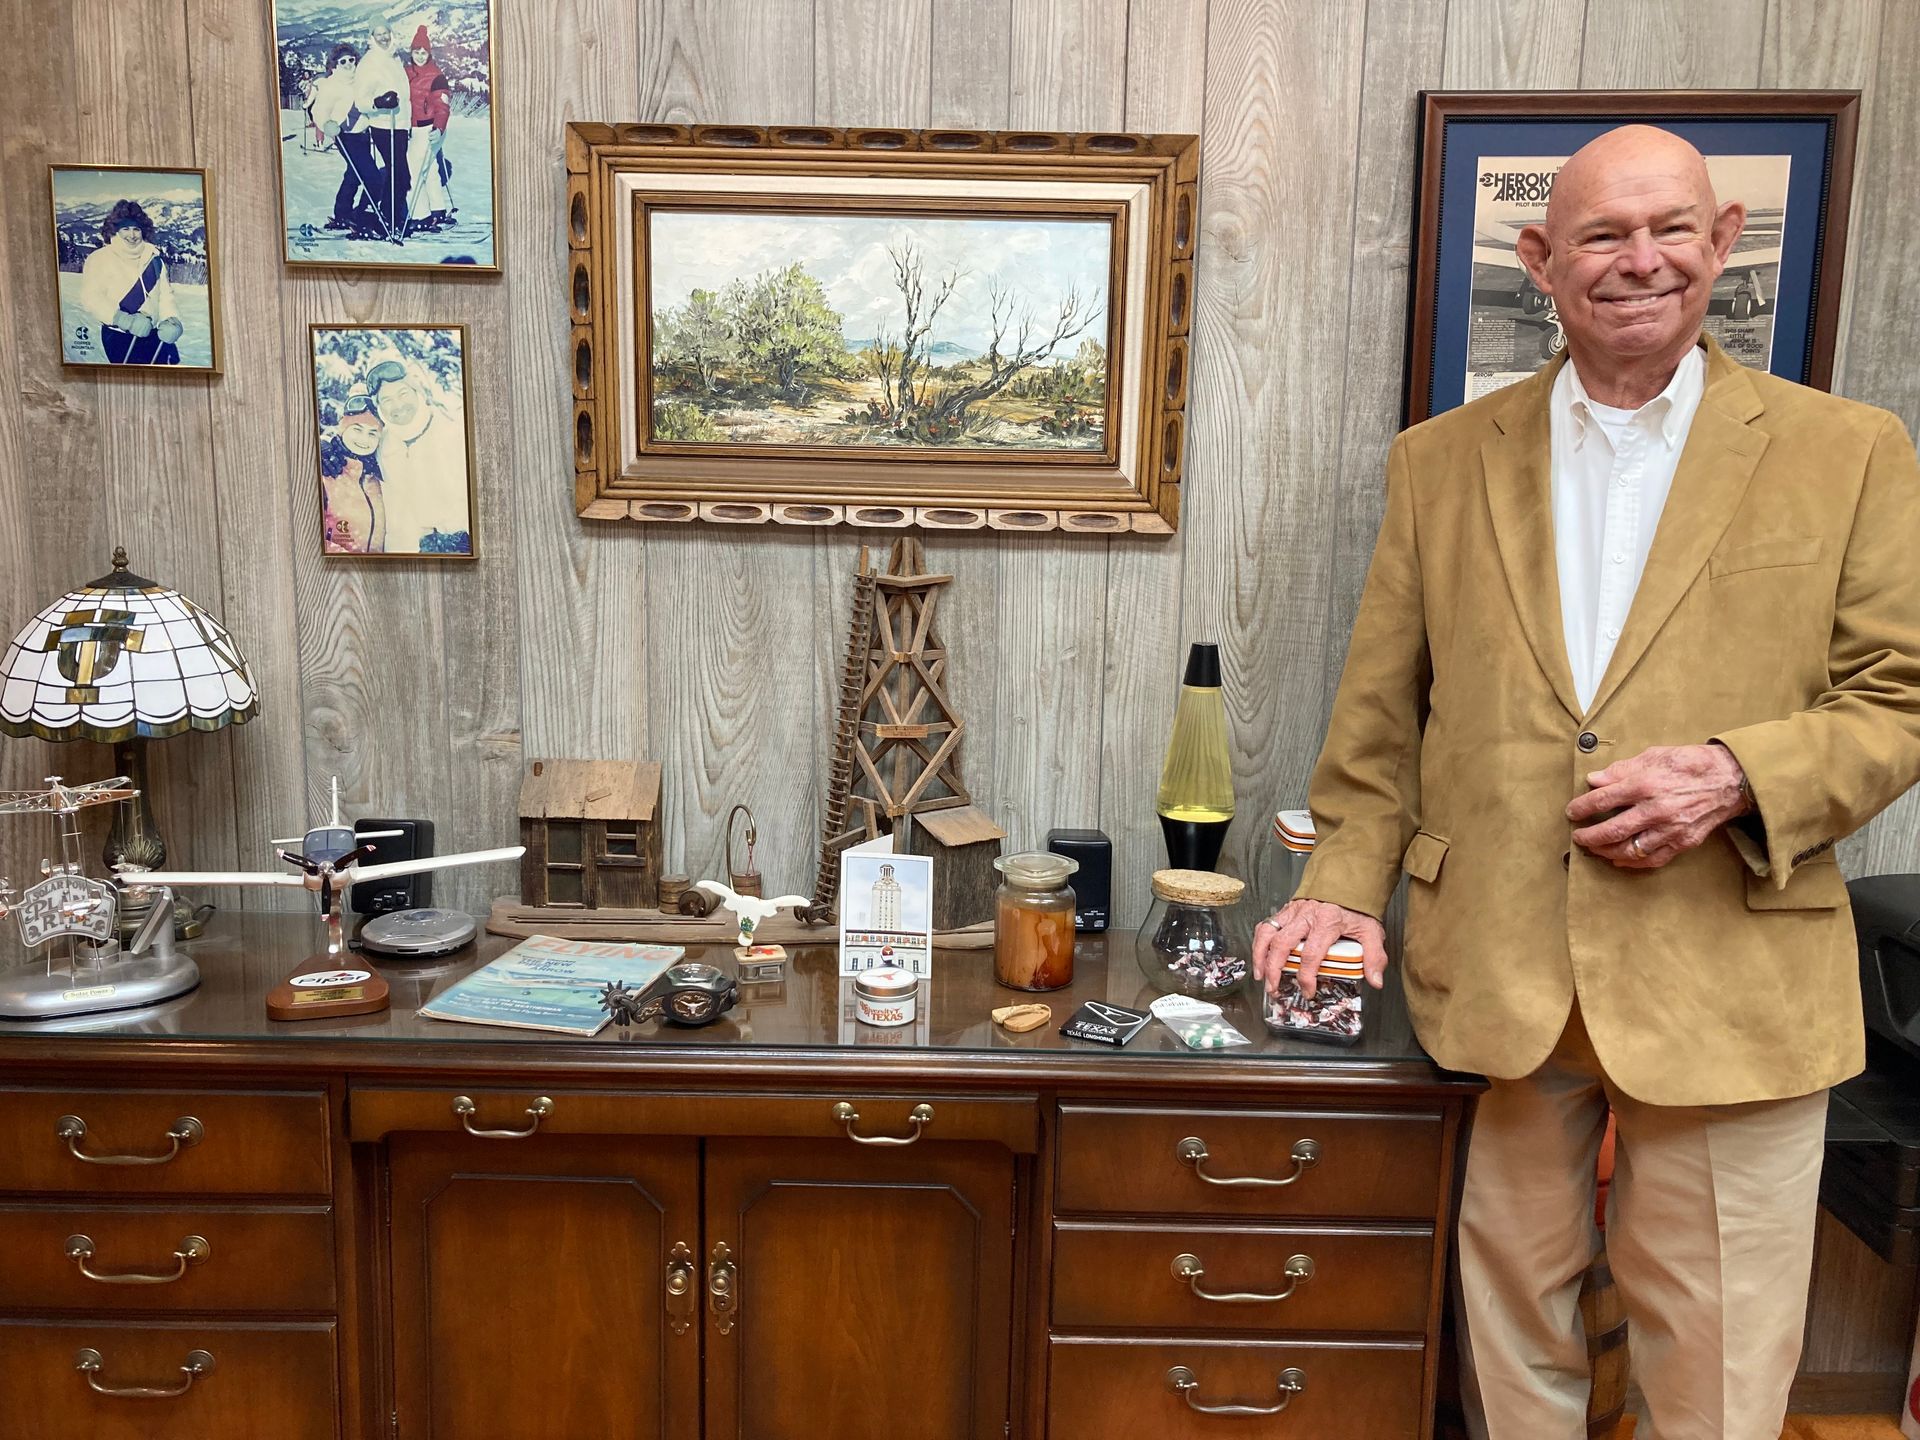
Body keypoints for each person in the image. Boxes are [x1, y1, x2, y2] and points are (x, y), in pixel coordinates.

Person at [1253, 124, 1920, 1440]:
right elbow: (1382, 720)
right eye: (1604, 236)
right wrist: (1338, 887)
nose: (1642, 260)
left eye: (1671, 227)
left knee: (1716, 1368)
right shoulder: (1439, 461)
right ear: (1542, 261)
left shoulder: (1847, 450)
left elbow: (1896, 699)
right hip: (1496, 964)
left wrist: (1738, 775)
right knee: (1512, 1343)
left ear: (1724, 242)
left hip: (1730, 970)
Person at [368, 358, 467, 551]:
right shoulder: (381, 444)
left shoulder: (453, 431)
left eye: (403, 393)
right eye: (387, 400)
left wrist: (460, 537)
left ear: (416, 391)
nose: (397, 405)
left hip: (455, 548)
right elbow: (353, 456)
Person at [77, 199, 183, 365]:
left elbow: (165, 297)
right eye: (125, 228)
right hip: (120, 336)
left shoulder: (154, 260)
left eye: (136, 229)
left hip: (154, 335)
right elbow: (91, 297)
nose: (132, 235)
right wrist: (124, 320)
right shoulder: (100, 258)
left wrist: (171, 319)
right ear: (115, 230)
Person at [350, 21, 411, 237]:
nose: (383, 37)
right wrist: (379, 102)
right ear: (371, 37)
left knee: (399, 173)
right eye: (378, 34)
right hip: (384, 125)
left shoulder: (394, 58)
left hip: (401, 124)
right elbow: (361, 101)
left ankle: (388, 216)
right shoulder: (369, 63)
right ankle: (386, 218)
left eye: (386, 32)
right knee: (399, 173)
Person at [307, 44, 372, 234]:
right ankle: (361, 212)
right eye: (343, 61)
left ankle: (342, 213)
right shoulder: (331, 84)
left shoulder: (360, 80)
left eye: (351, 59)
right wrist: (327, 124)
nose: (348, 64)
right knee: (369, 175)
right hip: (345, 136)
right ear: (335, 64)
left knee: (353, 173)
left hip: (363, 134)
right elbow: (319, 110)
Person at [403, 25, 453, 234]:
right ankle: (437, 209)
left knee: (412, 171)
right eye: (417, 52)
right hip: (415, 129)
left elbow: (443, 106)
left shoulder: (436, 76)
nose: (421, 56)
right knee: (430, 170)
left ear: (429, 53)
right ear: (411, 52)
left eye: (424, 53)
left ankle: (421, 215)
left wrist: (439, 129)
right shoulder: (406, 72)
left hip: (429, 129)